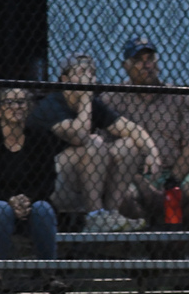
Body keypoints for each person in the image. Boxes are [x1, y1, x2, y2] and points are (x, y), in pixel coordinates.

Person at [102, 37, 189, 227]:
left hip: (173, 172)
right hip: (132, 176)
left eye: (150, 59)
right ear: (125, 65)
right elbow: (105, 150)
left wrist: (172, 181)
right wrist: (140, 182)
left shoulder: (179, 97)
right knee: (123, 196)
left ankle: (184, 244)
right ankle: (143, 239)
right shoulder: (112, 99)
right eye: (139, 60)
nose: (146, 65)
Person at [28, 54, 155, 232]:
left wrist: (151, 152)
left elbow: (131, 128)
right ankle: (94, 215)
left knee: (129, 145)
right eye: (81, 71)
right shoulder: (52, 104)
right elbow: (79, 136)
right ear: (65, 79)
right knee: (93, 141)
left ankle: (110, 214)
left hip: (87, 181)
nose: (88, 76)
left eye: (91, 72)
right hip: (50, 184)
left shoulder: (94, 104)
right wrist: (86, 98)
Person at [0, 88, 66, 294]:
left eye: (21, 102)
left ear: (29, 108)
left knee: (43, 208)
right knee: (0, 210)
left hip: (30, 203)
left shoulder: (40, 138)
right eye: (9, 102)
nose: (16, 107)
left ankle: (49, 275)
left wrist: (27, 199)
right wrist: (9, 200)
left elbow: (47, 180)